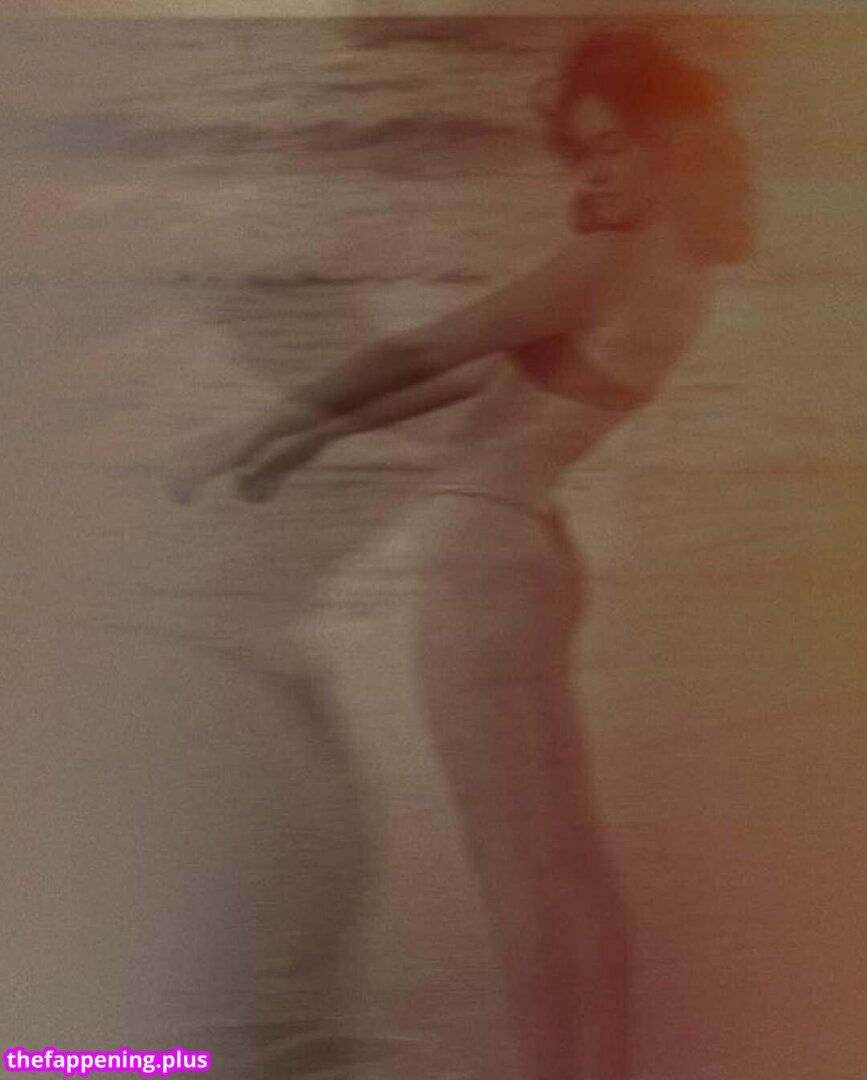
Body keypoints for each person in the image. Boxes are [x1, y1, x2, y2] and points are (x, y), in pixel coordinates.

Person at [168, 29, 754, 1080]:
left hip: (477, 553)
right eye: (579, 155)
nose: (590, 176)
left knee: (512, 869)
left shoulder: (604, 259)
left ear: (668, 143)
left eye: (610, 148)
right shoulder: (681, 271)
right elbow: (481, 383)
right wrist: (306, 438)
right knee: (570, 858)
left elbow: (428, 345)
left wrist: (249, 428)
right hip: (533, 546)